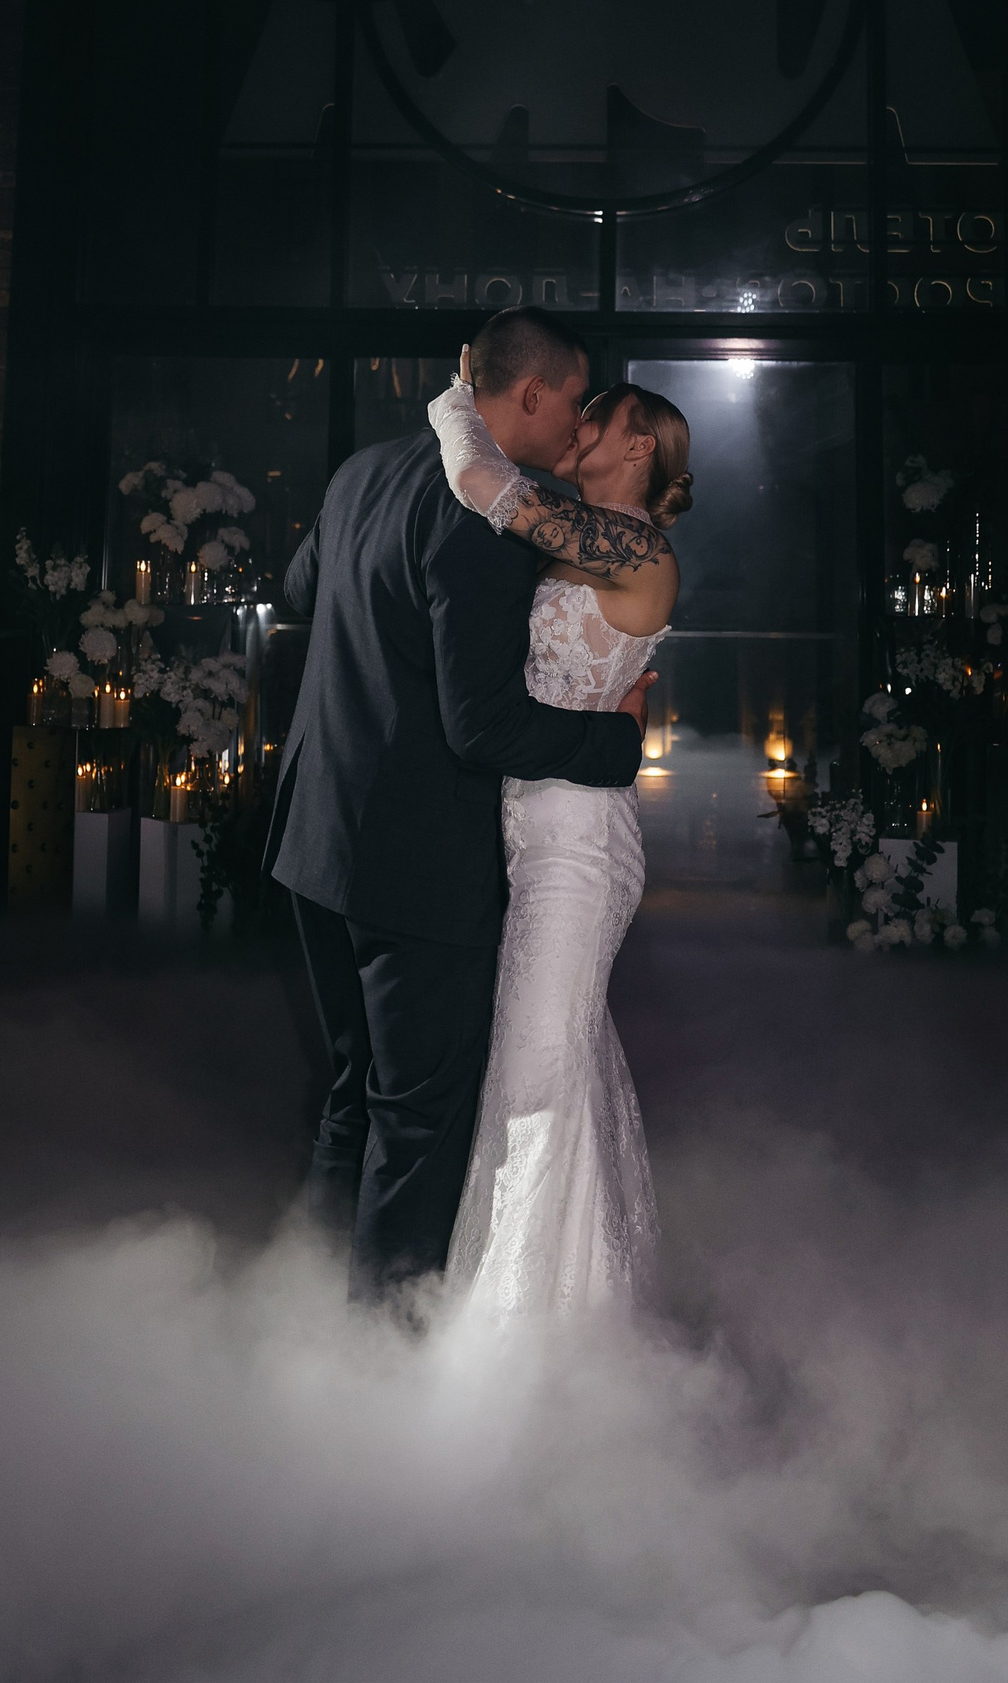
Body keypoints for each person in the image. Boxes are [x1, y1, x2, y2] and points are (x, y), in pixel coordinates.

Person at [266, 307, 661, 1303]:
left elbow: (302, 586)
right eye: (574, 399)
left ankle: (301, 1322)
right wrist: (617, 742)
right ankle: (382, 1353)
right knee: (417, 1116)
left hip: (313, 837)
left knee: (354, 1093)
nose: (579, 421)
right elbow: (481, 726)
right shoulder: (483, 517)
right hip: (411, 861)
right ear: (531, 392)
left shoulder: (361, 472)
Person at [427, 365, 691, 1315]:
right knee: (556, 1059)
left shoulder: (640, 550)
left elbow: (482, 482)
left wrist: (456, 401)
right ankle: (586, 1302)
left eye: (598, 416)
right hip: (528, 828)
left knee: (534, 1077)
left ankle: (528, 1336)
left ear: (639, 444)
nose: (577, 426)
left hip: (579, 844)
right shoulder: (576, 539)